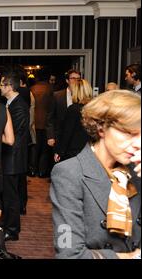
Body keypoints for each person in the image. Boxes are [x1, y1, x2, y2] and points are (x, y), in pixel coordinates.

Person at [51, 90, 141, 259]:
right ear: (101, 128)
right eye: (129, 133)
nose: (138, 143)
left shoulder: (136, 171)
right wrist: (130, 257)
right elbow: (69, 254)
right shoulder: (70, 173)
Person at [0, 71, 29, 240]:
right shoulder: (11, 103)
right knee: (8, 193)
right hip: (11, 156)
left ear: (9, 86)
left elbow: (14, 135)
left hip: (14, 157)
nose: (0, 87)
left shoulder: (19, 106)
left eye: (2, 84)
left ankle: (12, 230)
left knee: (11, 195)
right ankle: (8, 224)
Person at [46, 69, 82, 170]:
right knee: (59, 166)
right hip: (59, 136)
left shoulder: (82, 97)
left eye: (78, 79)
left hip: (75, 139)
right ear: (67, 80)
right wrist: (50, 136)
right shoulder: (57, 95)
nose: (76, 81)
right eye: (73, 78)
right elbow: (50, 117)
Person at [56, 79, 92, 162]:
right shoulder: (94, 109)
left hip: (74, 152)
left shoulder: (73, 109)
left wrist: (60, 152)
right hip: (89, 150)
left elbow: (67, 132)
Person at [29, 69, 54, 177]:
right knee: (44, 150)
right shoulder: (50, 89)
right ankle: (42, 171)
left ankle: (32, 170)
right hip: (47, 123)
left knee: (34, 148)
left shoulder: (32, 88)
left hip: (34, 122)